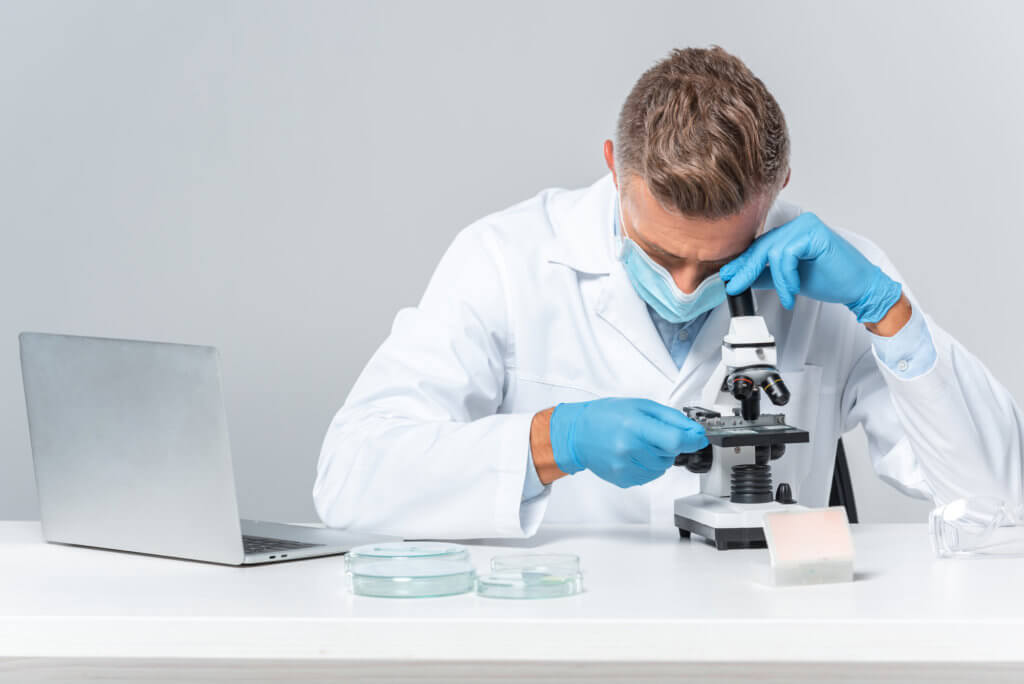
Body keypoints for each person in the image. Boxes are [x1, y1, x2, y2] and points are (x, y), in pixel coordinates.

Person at [313, 46, 1024, 539]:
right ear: (613, 168)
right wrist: (551, 441)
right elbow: (351, 481)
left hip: (767, 648)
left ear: (776, 191)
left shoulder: (837, 283)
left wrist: (887, 310)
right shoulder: (506, 260)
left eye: (721, 260)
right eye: (659, 253)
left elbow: (999, 504)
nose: (686, 286)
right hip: (559, 643)